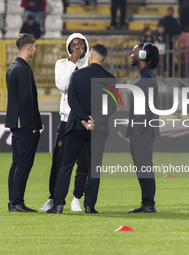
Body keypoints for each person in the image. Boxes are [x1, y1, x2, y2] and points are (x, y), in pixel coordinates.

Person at [47, 44, 117, 214]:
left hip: (76, 126)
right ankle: (89, 206)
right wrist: (95, 120)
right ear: (104, 59)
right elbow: (112, 105)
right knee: (94, 167)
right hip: (98, 129)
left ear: (91, 56)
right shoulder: (110, 78)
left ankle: (58, 205)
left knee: (66, 165)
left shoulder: (77, 75)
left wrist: (84, 118)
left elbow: (72, 100)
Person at [39, 33, 90, 212]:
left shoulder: (90, 66)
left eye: (80, 44)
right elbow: (62, 85)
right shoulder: (62, 64)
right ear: (68, 47)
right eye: (73, 45)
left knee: (84, 163)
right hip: (66, 120)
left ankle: (76, 198)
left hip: (83, 121)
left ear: (85, 45)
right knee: (59, 162)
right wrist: (72, 63)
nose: (77, 48)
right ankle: (53, 198)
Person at [6, 33, 42, 213]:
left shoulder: (13, 67)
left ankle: (13, 201)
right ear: (29, 47)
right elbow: (27, 100)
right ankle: (17, 202)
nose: (35, 49)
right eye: (34, 46)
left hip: (16, 123)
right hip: (26, 124)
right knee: (24, 164)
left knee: (16, 163)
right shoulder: (23, 69)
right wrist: (34, 125)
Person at [127, 42, 159, 213]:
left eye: (134, 52)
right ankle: (147, 202)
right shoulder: (144, 74)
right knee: (142, 165)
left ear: (143, 55)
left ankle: (148, 204)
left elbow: (146, 105)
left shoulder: (146, 76)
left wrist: (139, 126)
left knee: (144, 164)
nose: (131, 54)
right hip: (142, 128)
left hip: (143, 129)